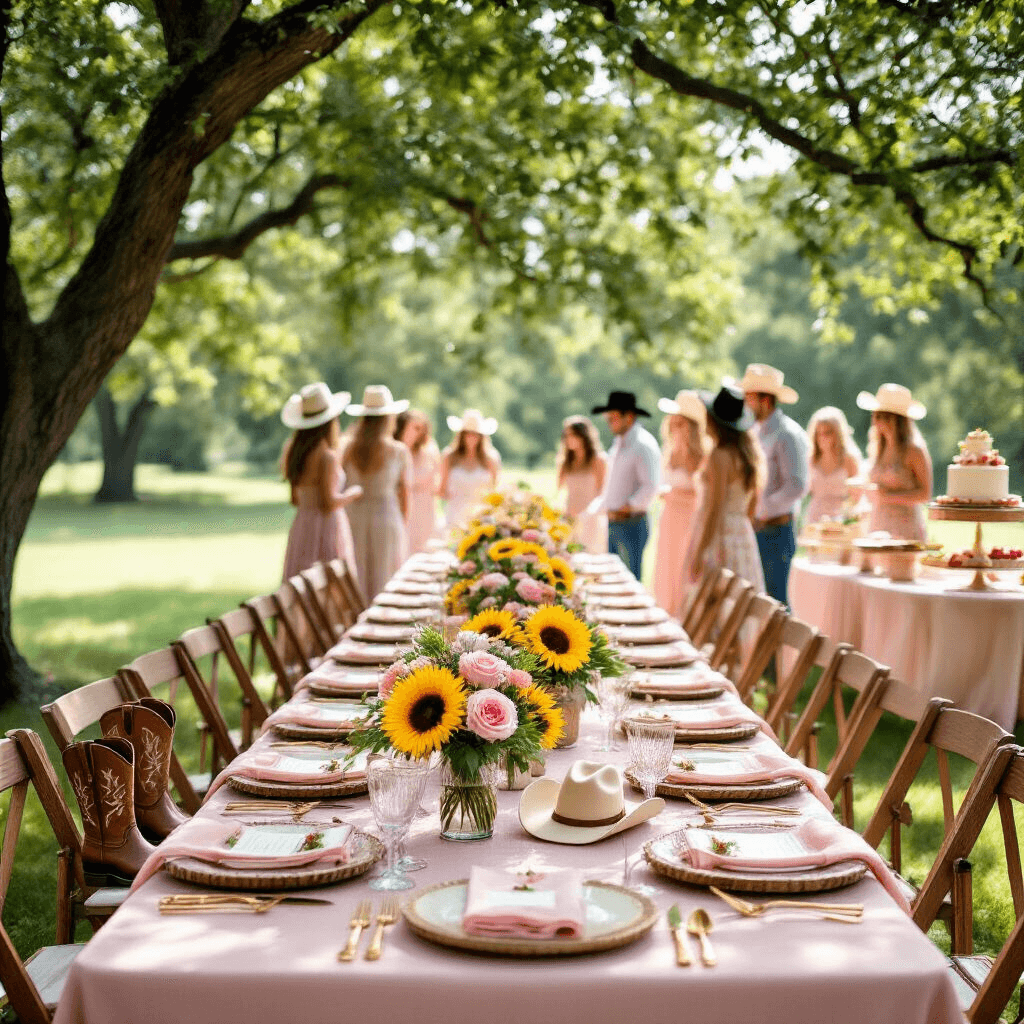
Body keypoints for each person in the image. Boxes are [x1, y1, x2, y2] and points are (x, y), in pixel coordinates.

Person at [741, 364, 810, 607]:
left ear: (765, 400)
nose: (745, 402)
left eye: (749, 397)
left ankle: (784, 647)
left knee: (776, 602)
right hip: (759, 527)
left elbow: (797, 485)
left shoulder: (787, 434)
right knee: (759, 600)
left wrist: (762, 509)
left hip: (776, 530)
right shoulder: (756, 431)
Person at [686, 383, 766, 593]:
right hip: (741, 534)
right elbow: (751, 505)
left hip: (720, 535)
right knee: (741, 601)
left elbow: (715, 507)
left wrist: (700, 551)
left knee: (716, 601)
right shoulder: (746, 455)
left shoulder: (719, 456)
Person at [280, 382, 362, 582]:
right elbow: (328, 503)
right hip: (326, 527)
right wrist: (353, 493)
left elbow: (295, 500)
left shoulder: (295, 453)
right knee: (329, 584)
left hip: (302, 525)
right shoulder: (326, 456)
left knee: (301, 581)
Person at [341, 385, 412, 600]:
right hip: (386, 516)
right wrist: (404, 522)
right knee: (386, 573)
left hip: (354, 516)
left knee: (358, 572)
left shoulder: (348, 448)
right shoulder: (398, 450)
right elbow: (404, 492)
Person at [591, 390, 661, 580]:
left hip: (631, 523)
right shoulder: (619, 442)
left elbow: (651, 485)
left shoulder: (643, 444)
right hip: (614, 521)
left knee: (629, 582)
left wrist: (627, 507)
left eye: (613, 417)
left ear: (628, 417)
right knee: (613, 579)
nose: (608, 422)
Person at [653, 390, 708, 618]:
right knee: (666, 564)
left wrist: (675, 495)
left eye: (681, 423)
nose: (675, 428)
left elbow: (702, 493)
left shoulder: (700, 455)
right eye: (673, 423)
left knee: (682, 566)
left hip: (689, 517)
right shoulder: (669, 452)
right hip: (669, 516)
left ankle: (683, 615)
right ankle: (665, 609)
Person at [856, 383, 932, 542]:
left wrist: (887, 496)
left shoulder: (914, 450)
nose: (875, 421)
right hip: (877, 523)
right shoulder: (877, 448)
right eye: (875, 415)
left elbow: (925, 494)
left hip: (904, 525)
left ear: (894, 419)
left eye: (879, 416)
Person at [439, 408, 501, 532]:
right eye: (468, 433)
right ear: (461, 435)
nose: (471, 438)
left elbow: (495, 491)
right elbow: (442, 491)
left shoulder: (491, 459)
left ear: (481, 436)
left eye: (475, 434)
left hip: (480, 518)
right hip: (454, 515)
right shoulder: (449, 456)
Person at [556, 415, 608, 554]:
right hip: (569, 519)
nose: (568, 439)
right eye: (566, 435)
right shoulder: (565, 462)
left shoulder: (598, 460)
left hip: (591, 520)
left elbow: (603, 492)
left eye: (572, 435)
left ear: (583, 436)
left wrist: (589, 514)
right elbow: (559, 491)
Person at [804, 406, 863, 525]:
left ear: (837, 433)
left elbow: (857, 496)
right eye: (818, 433)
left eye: (827, 433)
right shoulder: (811, 460)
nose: (822, 438)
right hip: (815, 517)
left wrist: (847, 518)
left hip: (842, 519)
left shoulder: (849, 459)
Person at [396, 408, 441, 554]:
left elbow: (436, 483)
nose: (418, 432)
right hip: (399, 506)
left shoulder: (429, 451)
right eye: (415, 428)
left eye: (421, 429)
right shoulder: (393, 451)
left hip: (423, 508)